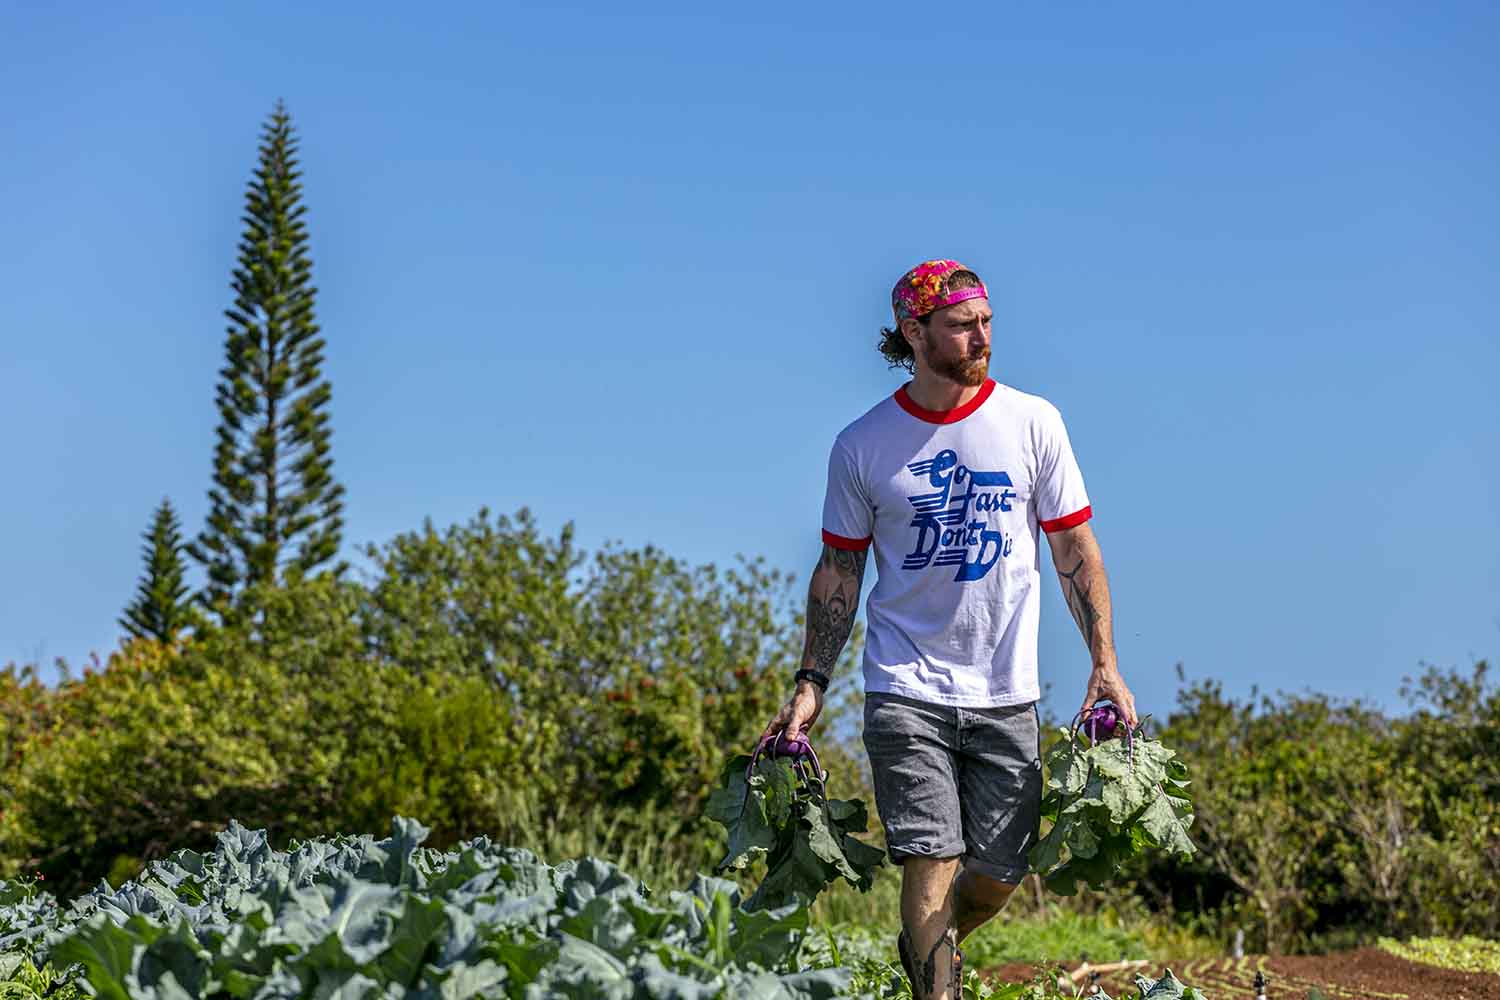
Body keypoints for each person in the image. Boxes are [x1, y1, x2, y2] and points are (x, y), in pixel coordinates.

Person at [758, 259, 1139, 1000]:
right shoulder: (863, 445)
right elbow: (839, 571)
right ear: (914, 329)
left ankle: (929, 953)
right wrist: (811, 684)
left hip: (1006, 690)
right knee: (930, 857)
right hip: (905, 686)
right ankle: (938, 992)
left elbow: (1073, 551)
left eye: (987, 322)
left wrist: (1105, 662)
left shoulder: (1033, 422)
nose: (981, 337)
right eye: (963, 325)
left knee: (999, 874)